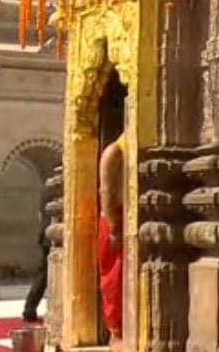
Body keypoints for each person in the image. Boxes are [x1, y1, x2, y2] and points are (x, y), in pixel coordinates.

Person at [98, 134, 125, 349]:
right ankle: (115, 332)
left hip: (128, 217)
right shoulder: (114, 152)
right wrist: (114, 226)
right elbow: (106, 190)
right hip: (114, 218)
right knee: (113, 277)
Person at [22, 202, 50, 322]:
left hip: (46, 234)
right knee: (44, 273)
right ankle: (30, 308)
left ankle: (30, 308)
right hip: (52, 234)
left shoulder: (46, 190)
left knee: (43, 274)